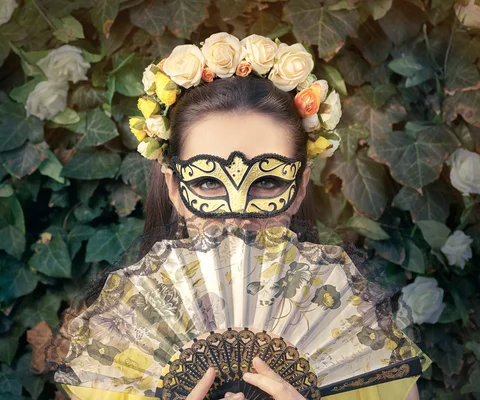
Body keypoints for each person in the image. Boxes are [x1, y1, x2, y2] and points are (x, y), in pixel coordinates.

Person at [52, 33, 425, 400]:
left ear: (300, 186)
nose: (237, 217)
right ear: (173, 187)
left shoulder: (363, 340)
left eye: (266, 181)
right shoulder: (113, 343)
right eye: (209, 183)